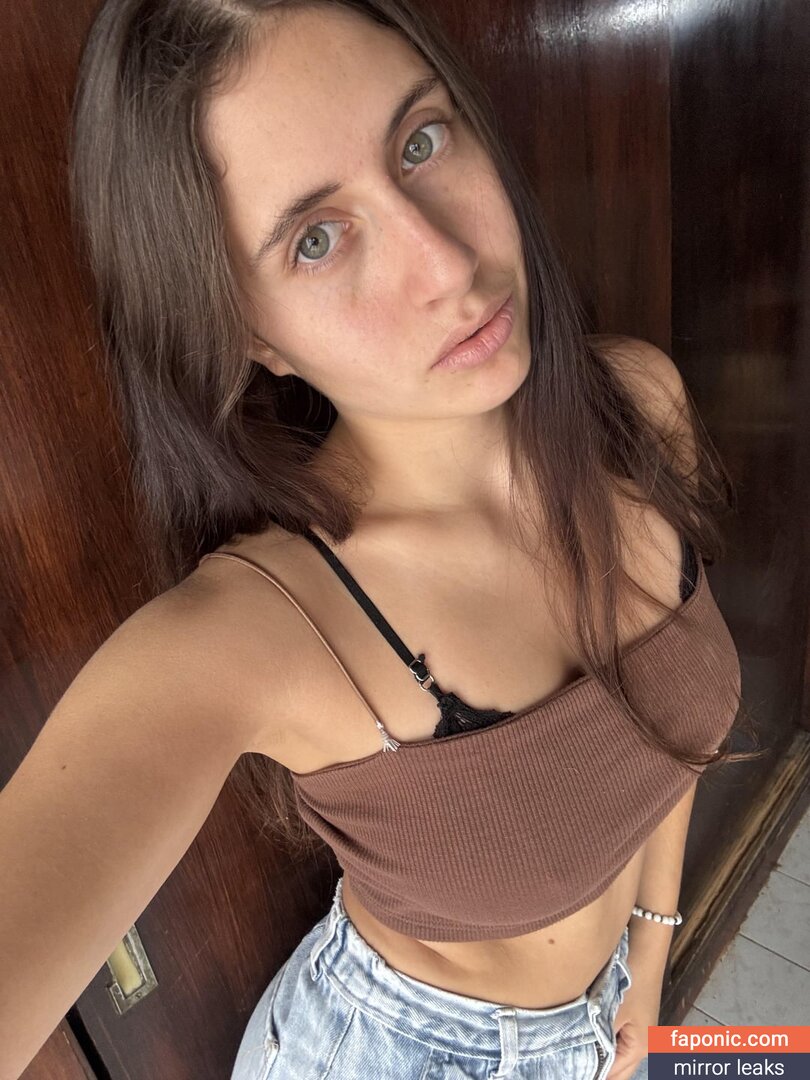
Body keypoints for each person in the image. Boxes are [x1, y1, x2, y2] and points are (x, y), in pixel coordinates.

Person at [1, 1, 759, 1078]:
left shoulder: (638, 408)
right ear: (247, 332)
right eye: (316, 238)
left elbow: (659, 744)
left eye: (421, 140)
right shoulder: (266, 626)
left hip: (608, 1021)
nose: (446, 263)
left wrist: (650, 956)